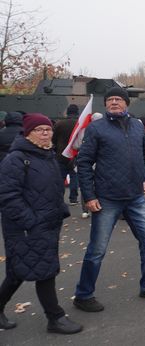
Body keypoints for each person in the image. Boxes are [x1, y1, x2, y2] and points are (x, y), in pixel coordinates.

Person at [73, 87, 145, 313]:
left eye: (118, 99)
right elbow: (84, 163)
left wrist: (143, 177)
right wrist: (89, 196)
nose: (114, 102)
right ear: (105, 104)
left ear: (126, 103)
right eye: (110, 100)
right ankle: (83, 295)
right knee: (97, 250)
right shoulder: (96, 128)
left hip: (135, 198)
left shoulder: (136, 126)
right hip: (107, 199)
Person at [0, 113, 83, 334]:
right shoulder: (16, 159)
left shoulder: (47, 155)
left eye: (48, 129)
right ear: (28, 133)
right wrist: (31, 221)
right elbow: (8, 196)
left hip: (46, 223)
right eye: (39, 130)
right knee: (44, 270)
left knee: (18, 271)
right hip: (26, 227)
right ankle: (55, 318)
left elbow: (53, 188)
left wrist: (60, 210)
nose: (45, 133)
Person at [52, 104, 81, 205]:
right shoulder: (80, 124)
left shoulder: (59, 124)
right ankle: (73, 199)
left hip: (61, 154)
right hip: (75, 155)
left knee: (60, 177)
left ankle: (59, 198)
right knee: (74, 177)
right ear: (77, 112)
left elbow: (53, 139)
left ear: (67, 112)